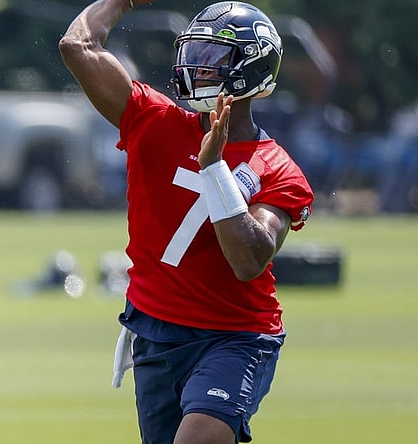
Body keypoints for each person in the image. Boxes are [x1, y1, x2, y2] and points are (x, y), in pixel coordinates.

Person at [59, 1, 314, 443]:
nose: (197, 68)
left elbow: (248, 260)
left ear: (250, 71)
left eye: (212, 58)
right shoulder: (153, 120)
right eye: (194, 54)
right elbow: (77, 45)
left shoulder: (278, 170)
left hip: (235, 337)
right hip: (155, 331)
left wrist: (214, 169)